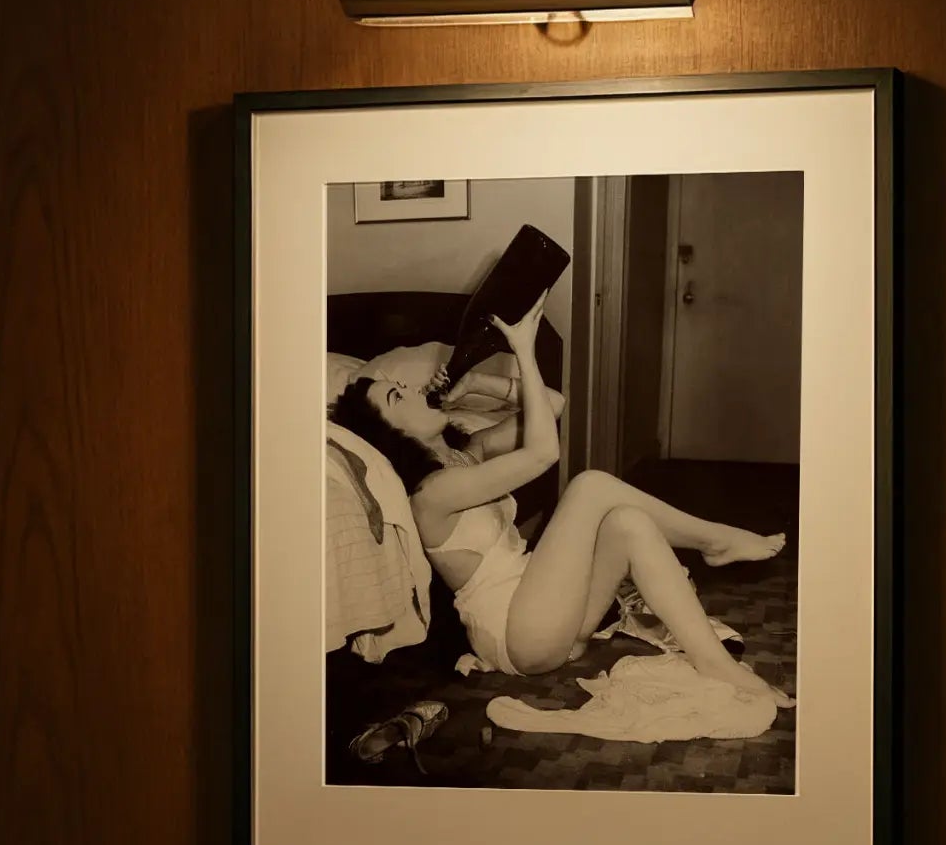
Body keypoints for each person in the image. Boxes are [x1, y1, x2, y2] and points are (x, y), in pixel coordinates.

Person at [329, 296, 787, 700]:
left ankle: (711, 658)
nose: (412, 388)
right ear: (392, 433)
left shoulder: (466, 455)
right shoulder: (432, 494)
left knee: (627, 521)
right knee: (590, 486)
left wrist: (481, 385)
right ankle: (715, 542)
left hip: (553, 622)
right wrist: (523, 350)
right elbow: (545, 453)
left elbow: (554, 406)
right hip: (515, 634)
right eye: (397, 395)